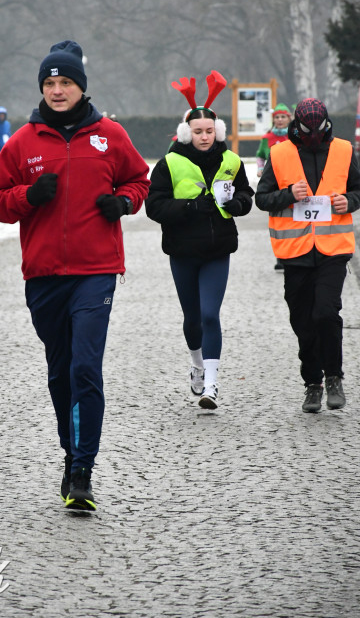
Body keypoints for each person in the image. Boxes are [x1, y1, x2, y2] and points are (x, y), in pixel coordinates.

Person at [0, 40, 150, 511]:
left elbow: (140, 180)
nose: (57, 91)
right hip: (43, 275)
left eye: (66, 83)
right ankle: (70, 452)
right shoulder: (22, 143)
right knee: (60, 373)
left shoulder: (109, 135)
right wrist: (29, 198)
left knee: (84, 367)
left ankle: (83, 470)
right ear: (42, 88)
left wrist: (122, 203)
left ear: (81, 88)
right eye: (50, 83)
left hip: (95, 271)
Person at [146, 71, 253, 410]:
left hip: (217, 249)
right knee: (192, 318)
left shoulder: (232, 161)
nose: (205, 137)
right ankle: (196, 364)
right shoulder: (169, 163)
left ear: (218, 132)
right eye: (198, 132)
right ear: (186, 133)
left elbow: (247, 194)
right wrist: (191, 206)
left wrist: (238, 204)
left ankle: (211, 384)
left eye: (210, 131)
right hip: (182, 251)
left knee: (210, 315)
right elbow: (154, 206)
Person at [255, 98, 360, 413]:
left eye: (319, 129)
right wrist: (289, 195)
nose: (314, 135)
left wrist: (349, 201)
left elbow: (357, 188)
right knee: (303, 321)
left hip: (333, 250)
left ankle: (334, 378)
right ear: (296, 128)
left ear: (327, 124)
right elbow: (262, 198)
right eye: (307, 130)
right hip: (295, 251)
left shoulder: (344, 151)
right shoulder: (280, 153)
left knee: (326, 313)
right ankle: (312, 383)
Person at [256, 103, 294, 270]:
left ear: (289, 118)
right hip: (273, 183)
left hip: (291, 182)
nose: (279, 120)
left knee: (293, 219)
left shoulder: (294, 137)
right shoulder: (267, 138)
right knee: (277, 218)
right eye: (277, 117)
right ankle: (280, 255)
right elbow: (260, 156)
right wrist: (260, 169)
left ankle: (293, 252)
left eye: (283, 117)